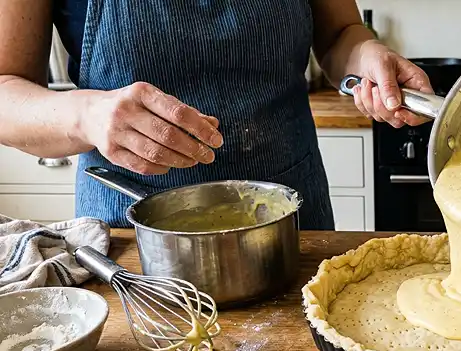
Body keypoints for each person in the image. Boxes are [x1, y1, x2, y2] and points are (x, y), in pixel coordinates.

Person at [0, 1, 432, 229]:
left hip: (291, 220)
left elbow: (340, 34)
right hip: (133, 231)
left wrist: (367, 54)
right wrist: (86, 115)